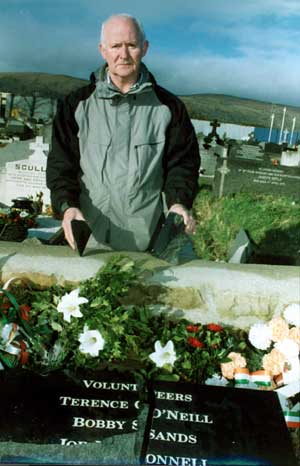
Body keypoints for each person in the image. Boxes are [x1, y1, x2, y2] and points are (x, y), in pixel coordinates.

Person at [46, 14, 200, 256]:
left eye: (131, 45)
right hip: (87, 245)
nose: (124, 54)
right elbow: (60, 165)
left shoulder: (169, 108)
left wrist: (178, 202)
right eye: (116, 46)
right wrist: (67, 207)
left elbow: (182, 165)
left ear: (145, 48)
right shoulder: (76, 105)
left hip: (146, 246)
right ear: (102, 50)